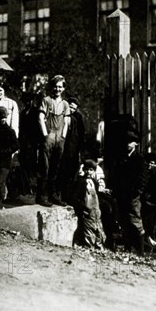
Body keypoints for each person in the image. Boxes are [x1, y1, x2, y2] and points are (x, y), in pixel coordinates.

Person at [111, 130, 148, 254]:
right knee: (124, 220)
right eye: (127, 142)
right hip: (122, 194)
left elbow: (143, 178)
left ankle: (141, 250)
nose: (128, 144)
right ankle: (127, 248)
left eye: (131, 142)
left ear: (136, 144)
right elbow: (116, 175)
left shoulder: (139, 159)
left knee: (135, 220)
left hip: (133, 196)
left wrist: (137, 192)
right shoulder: (121, 157)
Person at [36, 75, 71, 207]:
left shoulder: (65, 104)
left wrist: (63, 137)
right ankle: (41, 196)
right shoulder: (47, 100)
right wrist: (45, 135)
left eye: (60, 87)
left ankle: (53, 195)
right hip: (49, 136)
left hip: (59, 138)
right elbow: (40, 118)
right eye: (55, 86)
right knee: (44, 167)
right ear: (52, 87)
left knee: (56, 168)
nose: (57, 89)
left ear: (63, 88)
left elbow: (67, 122)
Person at [72, 159, 106, 249]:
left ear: (94, 171)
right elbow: (75, 197)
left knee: (99, 230)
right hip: (87, 211)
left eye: (91, 170)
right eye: (86, 169)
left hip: (96, 211)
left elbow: (97, 196)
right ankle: (89, 247)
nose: (88, 172)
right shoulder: (81, 182)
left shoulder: (95, 183)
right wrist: (82, 207)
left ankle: (99, 248)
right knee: (89, 232)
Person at [59, 96, 86, 202]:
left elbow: (81, 136)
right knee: (61, 173)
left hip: (73, 150)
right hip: (62, 149)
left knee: (71, 174)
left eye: (74, 108)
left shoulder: (78, 118)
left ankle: (69, 197)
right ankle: (60, 195)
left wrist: (80, 152)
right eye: (70, 107)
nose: (71, 110)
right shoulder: (61, 115)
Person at [141, 152, 156, 247]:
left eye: (153, 163)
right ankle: (145, 236)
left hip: (153, 201)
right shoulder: (143, 174)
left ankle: (149, 235)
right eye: (149, 163)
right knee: (143, 219)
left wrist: (152, 197)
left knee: (151, 220)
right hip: (143, 200)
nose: (151, 165)